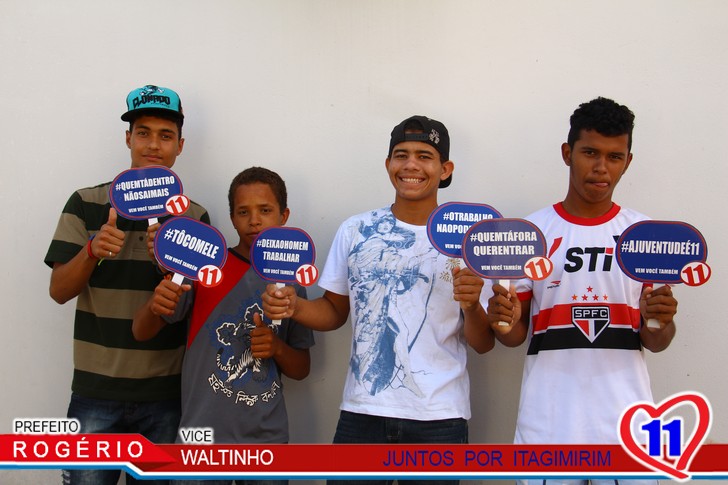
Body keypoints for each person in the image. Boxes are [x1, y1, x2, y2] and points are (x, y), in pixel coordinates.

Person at [263, 116, 495, 485]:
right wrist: (295, 307)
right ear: (388, 164)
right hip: (363, 411)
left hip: (439, 417)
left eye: (425, 156)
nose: (411, 165)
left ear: (445, 169)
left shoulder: (469, 239)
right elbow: (334, 311)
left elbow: (483, 343)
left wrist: (471, 304)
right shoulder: (355, 229)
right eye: (401, 155)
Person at [486, 97, 678, 485]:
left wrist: (663, 320)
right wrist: (502, 320)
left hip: (630, 430)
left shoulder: (645, 235)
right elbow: (514, 336)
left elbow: (655, 340)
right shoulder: (531, 234)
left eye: (614, 156)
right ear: (567, 153)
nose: (601, 167)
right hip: (547, 426)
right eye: (590, 153)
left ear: (628, 161)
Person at [44, 84, 209, 485]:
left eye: (165, 135)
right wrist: (92, 250)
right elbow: (59, 291)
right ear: (128, 138)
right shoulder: (86, 203)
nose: (153, 145)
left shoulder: (194, 217)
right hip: (94, 393)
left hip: (165, 396)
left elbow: (190, 309)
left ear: (180, 145)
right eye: (143, 133)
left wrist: (168, 265)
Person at [133, 167, 314, 485]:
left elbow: (302, 368)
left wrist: (277, 348)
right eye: (243, 212)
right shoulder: (204, 269)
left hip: (266, 442)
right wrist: (153, 304)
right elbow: (141, 331)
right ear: (231, 218)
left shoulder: (292, 282)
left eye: (265, 210)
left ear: (284, 215)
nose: (254, 221)